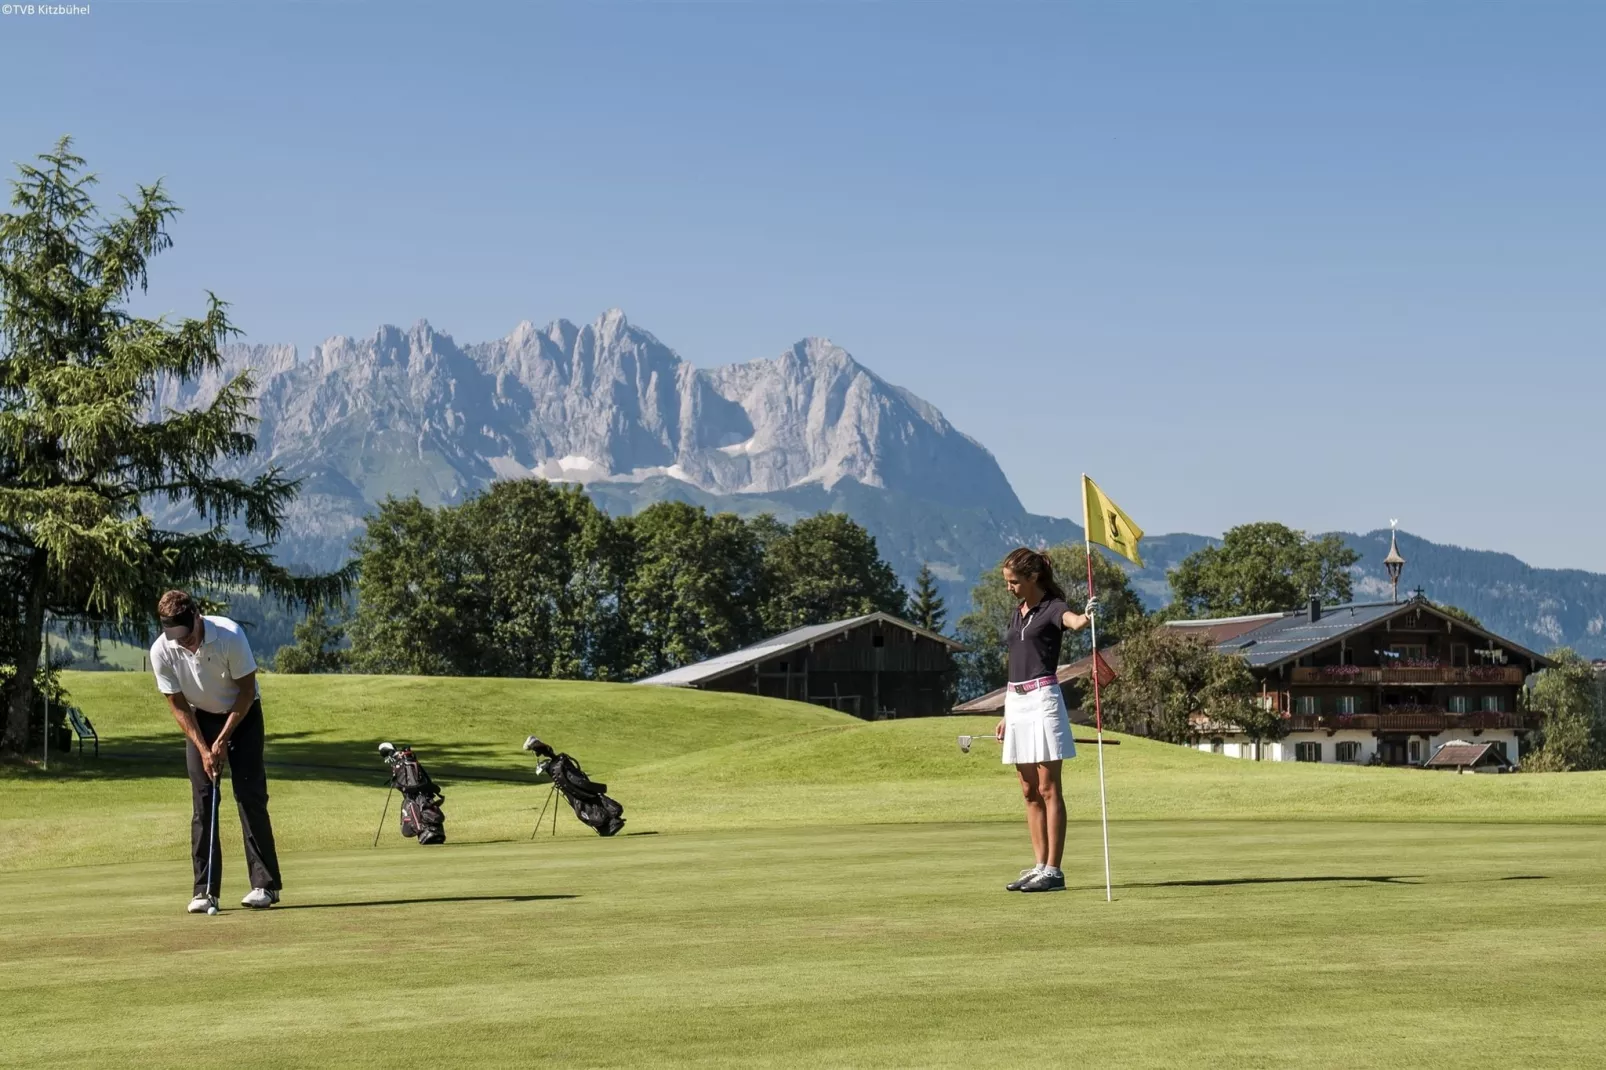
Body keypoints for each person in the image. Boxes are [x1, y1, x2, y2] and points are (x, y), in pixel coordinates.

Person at [149, 590, 283, 913]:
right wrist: (203, 747)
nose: (186, 644)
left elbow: (247, 691)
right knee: (203, 800)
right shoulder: (162, 651)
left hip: (243, 714)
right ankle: (205, 891)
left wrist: (223, 739)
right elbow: (178, 705)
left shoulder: (229, 635)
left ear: (197, 616)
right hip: (200, 719)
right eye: (178, 639)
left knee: (249, 795)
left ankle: (265, 885)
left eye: (189, 636)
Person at [992, 548, 1095, 893]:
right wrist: (1007, 713)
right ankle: (1038, 866)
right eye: (1007, 581)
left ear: (1033, 578)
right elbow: (1014, 663)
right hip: (1016, 700)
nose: (1009, 587)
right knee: (1028, 790)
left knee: (1049, 788)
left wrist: (1085, 618)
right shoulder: (1017, 613)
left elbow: (1073, 621)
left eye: (1013, 581)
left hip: (1044, 699)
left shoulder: (1052, 608)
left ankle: (1054, 870)